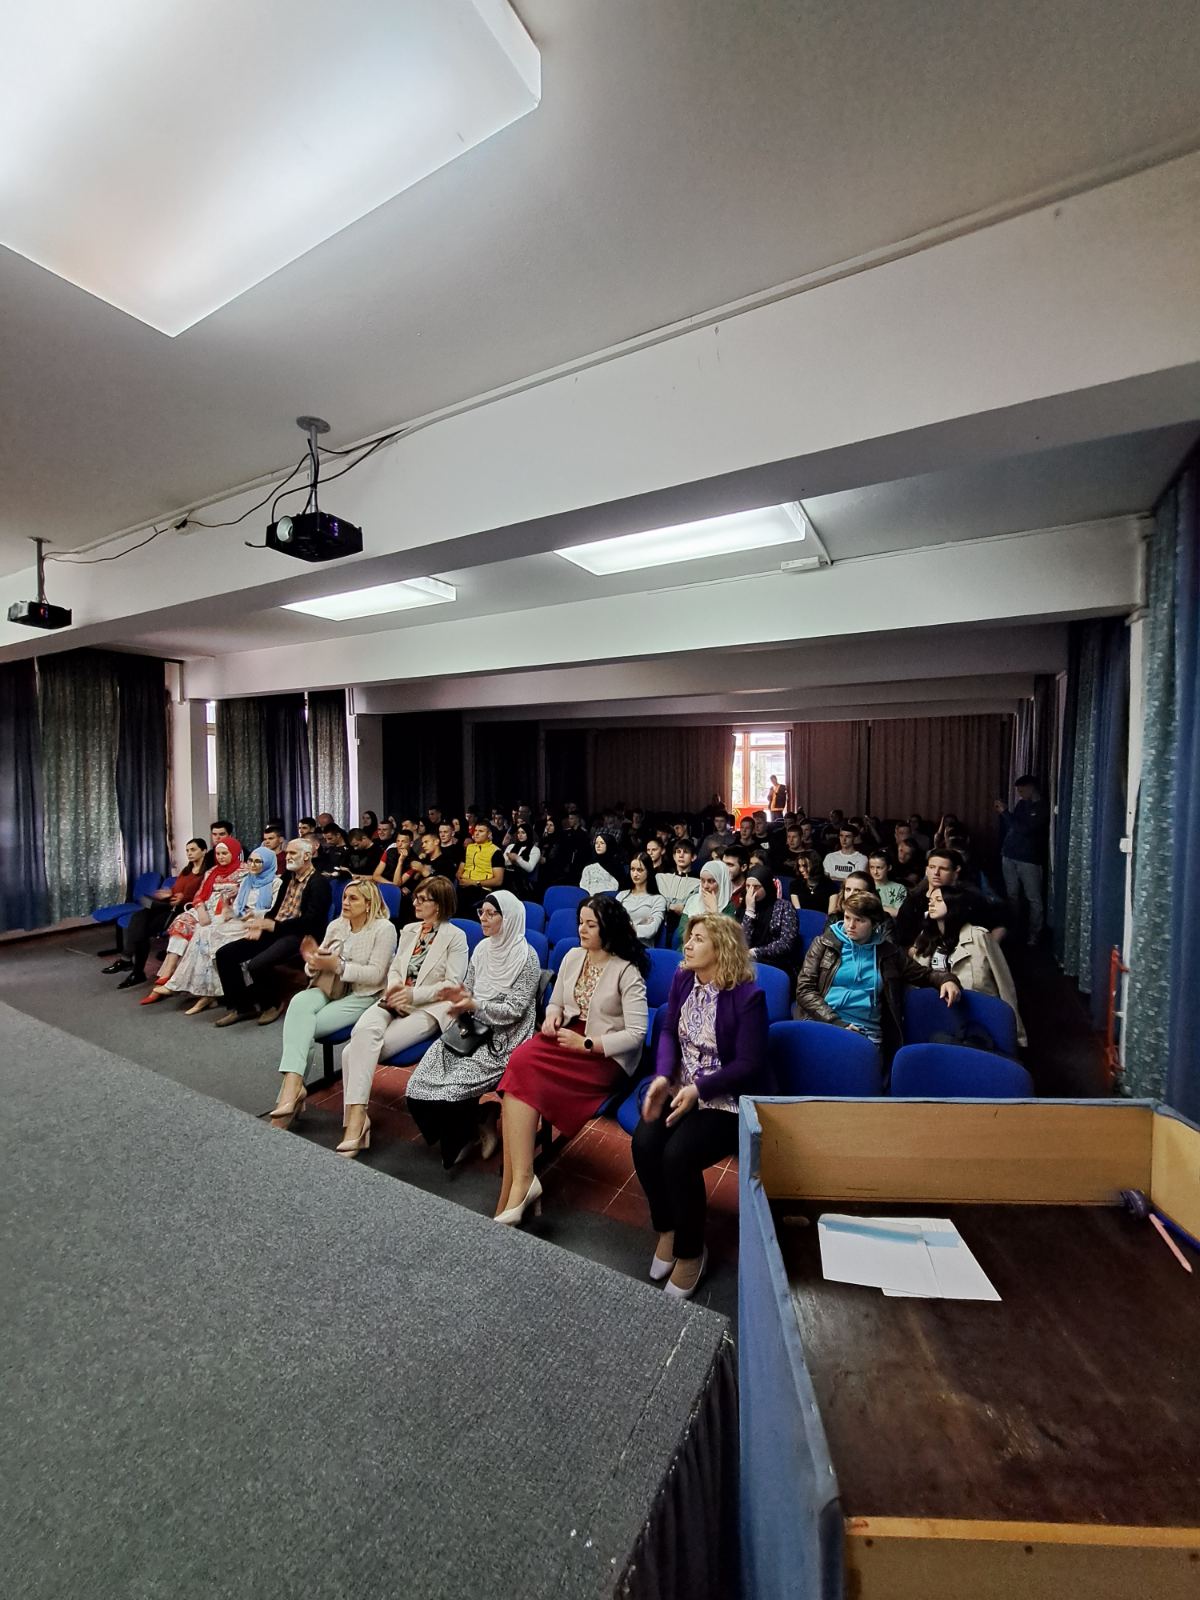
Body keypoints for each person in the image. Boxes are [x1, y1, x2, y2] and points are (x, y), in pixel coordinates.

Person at [633, 914, 768, 1298]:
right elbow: (667, 1031)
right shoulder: (682, 978)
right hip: (682, 1085)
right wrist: (663, 1075)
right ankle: (668, 1228)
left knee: (678, 1156)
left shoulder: (748, 996)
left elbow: (750, 1064)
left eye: (698, 939)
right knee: (644, 1143)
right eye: (688, 938)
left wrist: (701, 1089)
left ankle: (692, 1252)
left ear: (721, 948)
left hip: (726, 1098)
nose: (687, 945)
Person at [495, 897, 649, 1225]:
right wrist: (552, 1017)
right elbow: (556, 1003)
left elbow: (636, 1034)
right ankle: (522, 1181)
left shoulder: (627, 970)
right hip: (568, 1038)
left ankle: (516, 1188)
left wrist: (588, 1044)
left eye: (591, 924)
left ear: (608, 929)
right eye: (581, 922)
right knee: (520, 1062)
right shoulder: (572, 956)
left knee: (522, 1075)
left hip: (603, 1055)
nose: (582, 929)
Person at [404, 889, 539, 1169]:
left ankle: (460, 1139)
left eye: (491, 914)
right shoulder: (482, 949)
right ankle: (477, 1121)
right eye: (481, 913)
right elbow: (468, 988)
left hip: (504, 1038)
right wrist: (459, 999)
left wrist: (475, 1005)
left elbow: (514, 1011)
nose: (483, 919)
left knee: (452, 1090)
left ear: (509, 918)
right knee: (416, 1087)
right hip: (470, 1029)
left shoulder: (527, 958)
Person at [334, 878, 469, 1156]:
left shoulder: (456, 937)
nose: (415, 903)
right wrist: (396, 989)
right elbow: (395, 968)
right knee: (363, 1033)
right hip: (394, 998)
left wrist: (412, 995)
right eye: (416, 897)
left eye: (422, 899)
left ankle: (355, 1123)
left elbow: (452, 984)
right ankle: (358, 1120)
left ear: (439, 905)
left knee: (351, 1053)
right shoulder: (409, 930)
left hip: (428, 1008)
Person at [267, 878, 398, 1122]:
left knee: (301, 1028)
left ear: (369, 904)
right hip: (331, 988)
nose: (345, 902)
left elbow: (376, 975)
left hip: (363, 994)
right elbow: (314, 968)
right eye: (345, 897)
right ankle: (294, 1087)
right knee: (298, 1002)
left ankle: (288, 1097)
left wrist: (338, 965)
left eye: (353, 898)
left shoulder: (384, 929)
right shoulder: (337, 925)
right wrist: (313, 962)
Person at [796, 889, 961, 1064]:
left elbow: (924, 974)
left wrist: (947, 980)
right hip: (824, 1021)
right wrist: (836, 1022)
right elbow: (804, 990)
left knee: (851, 1066)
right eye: (847, 917)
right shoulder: (824, 943)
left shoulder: (889, 953)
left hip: (866, 1031)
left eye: (859, 920)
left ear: (874, 924)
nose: (850, 925)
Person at [213, 837, 333, 1027]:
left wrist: (274, 926)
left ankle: (272, 1004)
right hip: (278, 928)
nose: (288, 856)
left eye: (293, 853)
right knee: (225, 954)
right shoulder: (288, 877)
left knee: (257, 965)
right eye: (288, 852)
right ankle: (243, 1007)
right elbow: (276, 910)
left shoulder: (319, 883)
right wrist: (260, 924)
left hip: (300, 934)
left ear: (307, 856)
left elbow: (312, 922)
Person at [148, 843, 279, 1013]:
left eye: (258, 862)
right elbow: (236, 906)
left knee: (209, 937)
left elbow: (273, 911)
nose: (253, 865)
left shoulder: (274, 882)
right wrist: (228, 910)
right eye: (251, 861)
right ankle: (198, 989)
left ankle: (200, 991)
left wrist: (248, 916)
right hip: (237, 918)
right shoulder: (247, 881)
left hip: (256, 923)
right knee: (202, 932)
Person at [911, 883, 1027, 1045]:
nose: (931, 903)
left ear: (953, 904)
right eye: (930, 900)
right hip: (937, 1013)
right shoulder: (925, 937)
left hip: (977, 1015)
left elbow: (1004, 983)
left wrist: (1017, 1035)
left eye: (938, 900)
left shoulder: (979, 936)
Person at [141, 838, 245, 994]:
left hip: (228, 910)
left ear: (234, 852)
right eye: (218, 854)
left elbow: (247, 895)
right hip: (206, 907)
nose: (221, 857)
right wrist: (201, 909)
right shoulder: (212, 871)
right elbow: (199, 895)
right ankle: (168, 972)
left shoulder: (244, 872)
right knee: (181, 921)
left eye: (225, 853)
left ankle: (190, 984)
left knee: (203, 933)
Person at [105, 839, 208, 989]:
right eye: (187, 850)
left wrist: (184, 898)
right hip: (168, 906)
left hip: (183, 910)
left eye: (193, 850)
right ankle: (131, 965)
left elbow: (203, 895)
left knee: (142, 930)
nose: (189, 853)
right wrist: (168, 892)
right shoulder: (186, 871)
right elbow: (176, 889)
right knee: (139, 916)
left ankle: (132, 966)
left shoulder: (206, 873)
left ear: (204, 851)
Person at [893, 847, 1007, 952]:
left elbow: (999, 926)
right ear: (926, 870)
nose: (936, 873)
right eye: (932, 867)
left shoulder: (970, 899)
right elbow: (902, 941)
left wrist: (987, 951)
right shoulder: (913, 901)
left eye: (943, 869)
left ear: (956, 871)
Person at [996, 775, 1049, 945]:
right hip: (1009, 854)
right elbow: (1013, 826)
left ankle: (1034, 933)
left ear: (1031, 787)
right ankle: (1013, 930)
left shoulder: (1042, 807)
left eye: (1021, 790)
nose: (1019, 794)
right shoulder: (1021, 804)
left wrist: (1005, 812)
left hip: (1029, 858)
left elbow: (1025, 829)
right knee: (1012, 895)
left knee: (1033, 897)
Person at [741, 866, 800, 977]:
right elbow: (742, 943)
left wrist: (756, 952)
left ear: (767, 886)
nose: (751, 891)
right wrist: (749, 911)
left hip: (776, 963)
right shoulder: (744, 907)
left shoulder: (784, 907)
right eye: (748, 886)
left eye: (756, 887)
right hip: (746, 963)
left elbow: (786, 943)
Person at [675, 860, 736, 948]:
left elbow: (724, 940)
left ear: (721, 882)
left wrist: (714, 913)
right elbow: (681, 933)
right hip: (687, 948)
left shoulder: (728, 907)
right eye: (702, 881)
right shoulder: (693, 900)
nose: (705, 886)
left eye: (711, 881)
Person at [617, 853, 668, 943]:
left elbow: (651, 931)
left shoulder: (658, 899)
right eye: (632, 869)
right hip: (618, 943)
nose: (635, 874)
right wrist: (639, 926)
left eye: (639, 870)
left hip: (642, 946)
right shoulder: (621, 895)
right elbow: (610, 923)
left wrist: (623, 925)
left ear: (648, 871)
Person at [455, 820, 504, 912]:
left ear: (489, 834)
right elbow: (460, 870)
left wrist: (474, 882)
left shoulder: (496, 852)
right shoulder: (469, 848)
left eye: (481, 831)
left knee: (464, 903)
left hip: (481, 889)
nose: (476, 834)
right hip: (463, 885)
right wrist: (460, 878)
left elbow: (498, 881)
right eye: (475, 830)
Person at [503, 821, 542, 899]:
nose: (520, 835)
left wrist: (517, 858)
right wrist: (518, 861)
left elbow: (529, 868)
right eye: (518, 832)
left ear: (528, 834)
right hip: (507, 877)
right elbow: (504, 862)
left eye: (523, 832)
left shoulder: (535, 850)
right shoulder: (511, 846)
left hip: (523, 881)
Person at [789, 850, 831, 915]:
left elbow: (831, 915)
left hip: (823, 920)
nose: (801, 870)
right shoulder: (795, 885)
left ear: (815, 865)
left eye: (804, 866)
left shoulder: (830, 886)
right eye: (799, 866)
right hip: (803, 919)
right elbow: (799, 912)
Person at [867, 850, 907, 917]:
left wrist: (874, 908)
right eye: (872, 867)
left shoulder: (899, 888)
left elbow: (899, 913)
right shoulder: (864, 885)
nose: (875, 872)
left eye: (879, 868)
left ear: (889, 867)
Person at [720, 845, 748, 914]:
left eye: (730, 865)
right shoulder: (716, 885)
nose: (724, 869)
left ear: (743, 867)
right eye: (723, 864)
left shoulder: (748, 890)